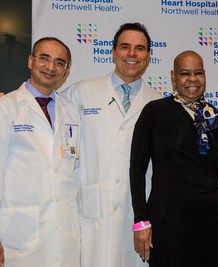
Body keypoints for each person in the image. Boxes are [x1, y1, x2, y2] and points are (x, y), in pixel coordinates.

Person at [61, 23, 161, 267]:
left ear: (148, 57)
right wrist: (14, 103)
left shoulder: (159, 104)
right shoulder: (81, 93)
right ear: (114, 52)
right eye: (125, 47)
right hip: (92, 215)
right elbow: (48, 118)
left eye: (140, 48)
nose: (132, 54)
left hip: (138, 217)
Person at [130, 50, 218, 267]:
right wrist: (141, 221)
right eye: (185, 73)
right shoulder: (155, 112)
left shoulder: (213, 116)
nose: (192, 80)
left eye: (199, 73)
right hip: (169, 223)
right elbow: (137, 168)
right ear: (173, 77)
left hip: (212, 222)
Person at [0, 37, 80, 266]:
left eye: (59, 62)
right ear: (30, 61)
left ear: (66, 72)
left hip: (64, 234)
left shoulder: (72, 111)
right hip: (20, 233)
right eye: (44, 58)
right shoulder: (7, 107)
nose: (50, 67)